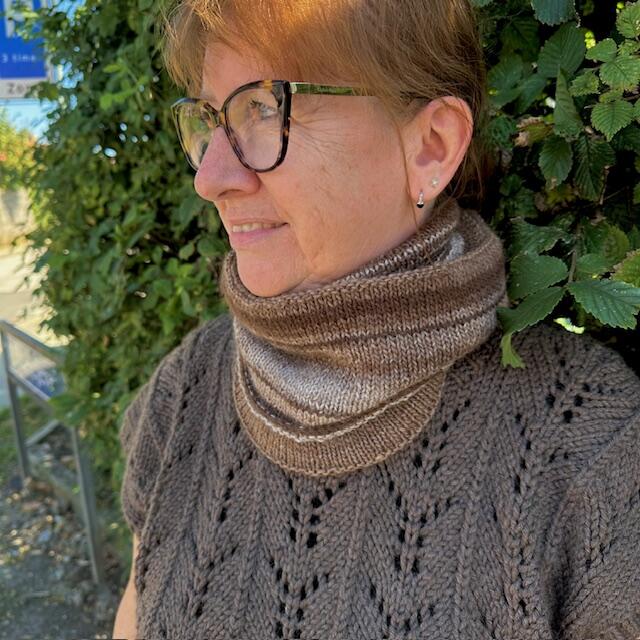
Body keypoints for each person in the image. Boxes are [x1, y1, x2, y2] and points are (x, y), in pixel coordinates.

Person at [112, 0, 640, 638]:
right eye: (210, 119)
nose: (211, 177)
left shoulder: (593, 453)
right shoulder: (185, 392)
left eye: (265, 109)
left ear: (431, 147)